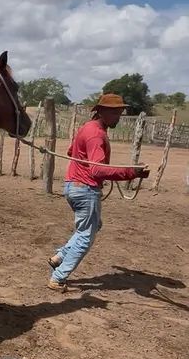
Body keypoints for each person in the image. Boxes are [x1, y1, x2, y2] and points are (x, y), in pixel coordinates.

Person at [48, 93, 149, 291]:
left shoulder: (87, 128)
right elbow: (97, 169)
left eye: (120, 112)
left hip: (73, 186)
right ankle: (58, 277)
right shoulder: (97, 134)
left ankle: (60, 256)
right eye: (116, 113)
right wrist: (132, 172)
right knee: (86, 235)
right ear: (102, 112)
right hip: (85, 189)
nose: (119, 117)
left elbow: (71, 152)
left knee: (93, 226)